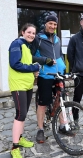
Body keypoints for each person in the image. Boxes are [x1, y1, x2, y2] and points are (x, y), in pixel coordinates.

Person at [30, 15, 70, 144]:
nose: (52, 26)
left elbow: (59, 56)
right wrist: (44, 60)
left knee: (61, 99)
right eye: (50, 23)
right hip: (45, 75)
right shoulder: (37, 39)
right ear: (45, 24)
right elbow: (30, 57)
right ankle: (40, 129)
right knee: (43, 103)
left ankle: (63, 125)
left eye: (55, 24)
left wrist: (63, 68)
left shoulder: (57, 39)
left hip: (58, 74)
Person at [9, 23, 40, 158]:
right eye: (29, 32)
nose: (31, 35)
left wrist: (34, 70)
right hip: (18, 85)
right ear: (22, 32)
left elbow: (25, 63)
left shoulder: (26, 46)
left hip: (27, 85)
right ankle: (14, 148)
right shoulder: (17, 44)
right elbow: (15, 64)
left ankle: (20, 138)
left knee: (23, 113)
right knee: (20, 115)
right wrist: (33, 67)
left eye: (34, 33)